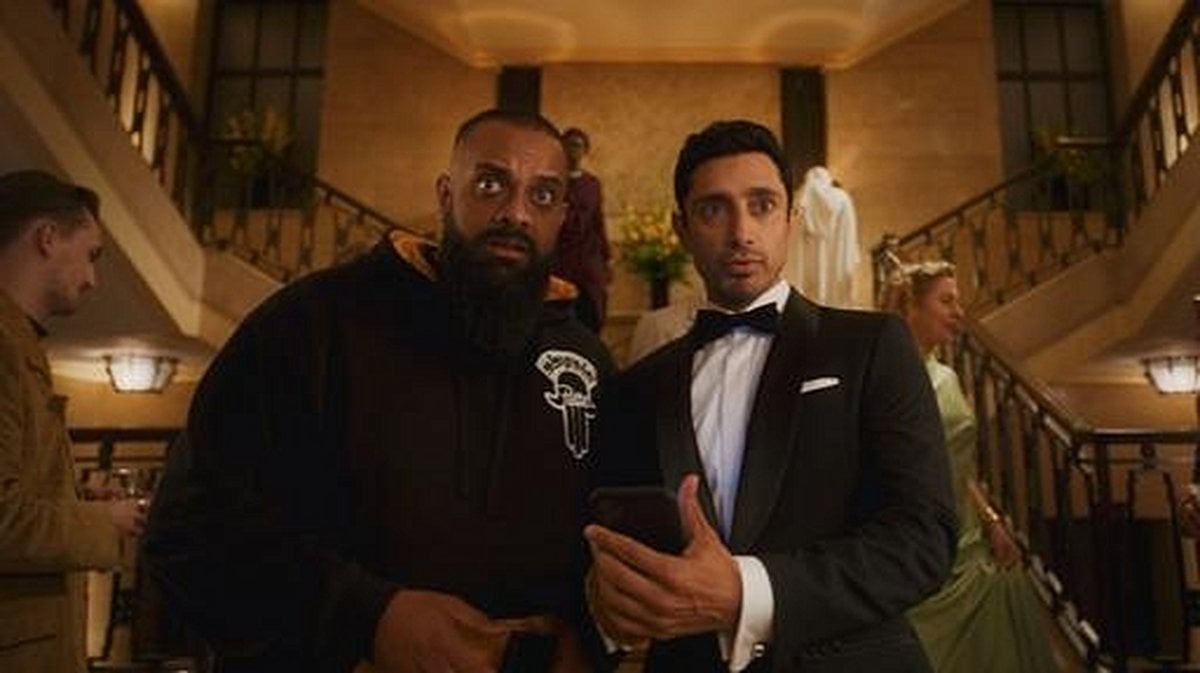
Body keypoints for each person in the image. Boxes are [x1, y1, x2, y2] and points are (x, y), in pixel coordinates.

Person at [142, 110, 614, 673]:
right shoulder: (311, 323)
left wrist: (591, 635)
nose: (516, 212)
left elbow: (611, 547)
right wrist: (367, 617)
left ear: (563, 215)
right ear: (446, 195)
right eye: (491, 185)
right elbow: (190, 525)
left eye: (543, 195)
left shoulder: (587, 359)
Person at [586, 120, 957, 672]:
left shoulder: (871, 346)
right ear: (681, 228)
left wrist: (747, 592)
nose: (741, 232)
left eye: (761, 205)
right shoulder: (637, 387)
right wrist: (609, 605)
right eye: (714, 209)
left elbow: (923, 540)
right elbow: (616, 547)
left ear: (791, 219)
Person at [882, 258, 1058, 673]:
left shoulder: (947, 376)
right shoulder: (885, 378)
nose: (959, 313)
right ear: (911, 306)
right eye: (946, 301)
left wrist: (992, 520)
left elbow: (958, 465)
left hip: (969, 539)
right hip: (917, 542)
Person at [0, 169, 144, 673]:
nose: (92, 279)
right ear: (47, 237)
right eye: (90, 255)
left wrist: (77, 501)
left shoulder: (19, 345)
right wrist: (103, 522)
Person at [552, 127, 611, 332]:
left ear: (585, 150)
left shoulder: (592, 184)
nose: (573, 151)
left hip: (588, 260)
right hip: (561, 258)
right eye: (569, 145)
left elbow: (597, 220)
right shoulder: (554, 182)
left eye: (578, 146)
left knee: (593, 310)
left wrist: (606, 258)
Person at [784, 166, 861, 309]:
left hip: (808, 259)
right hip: (835, 256)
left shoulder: (801, 198)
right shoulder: (842, 198)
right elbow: (849, 229)